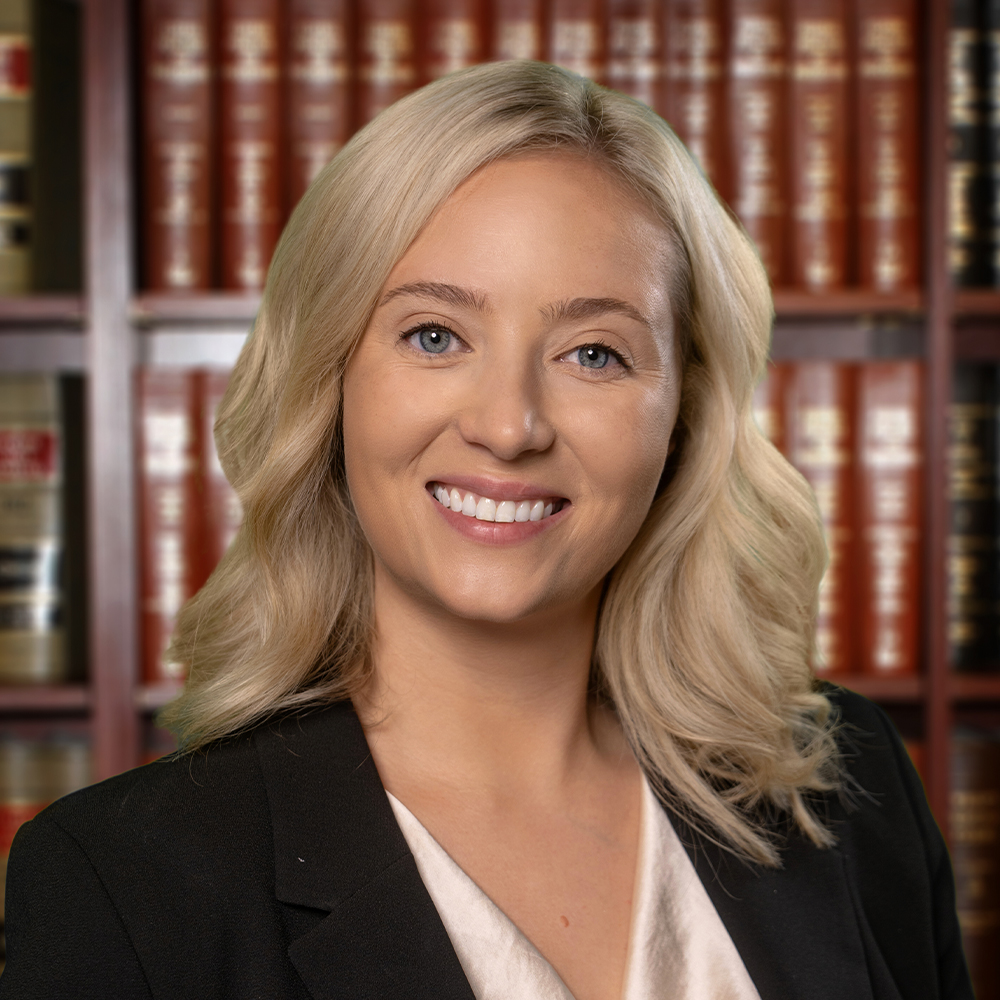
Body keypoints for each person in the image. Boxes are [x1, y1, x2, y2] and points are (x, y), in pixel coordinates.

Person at [0, 60, 971, 1000]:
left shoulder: (850, 789)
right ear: (330, 379)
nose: (509, 426)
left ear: (684, 416)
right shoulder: (123, 884)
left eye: (594, 352)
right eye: (434, 336)